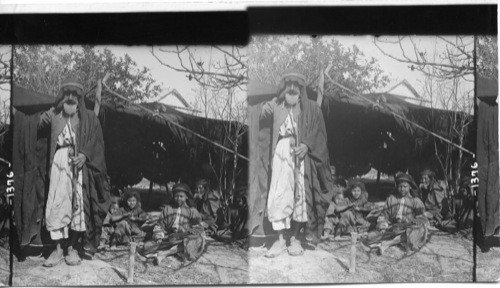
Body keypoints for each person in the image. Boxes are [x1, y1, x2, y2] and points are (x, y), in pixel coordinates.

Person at [260, 70, 335, 258]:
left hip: (302, 156)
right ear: (283, 88)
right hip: (282, 153)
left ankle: (294, 239)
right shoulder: (275, 105)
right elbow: (260, 113)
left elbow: (319, 133)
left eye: (296, 86)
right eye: (288, 85)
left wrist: (307, 145)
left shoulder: (310, 108)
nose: (292, 89)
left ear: (302, 89)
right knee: (280, 194)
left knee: (301, 195)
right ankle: (280, 241)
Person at [40, 77, 110, 267]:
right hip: (59, 164)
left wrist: (85, 156)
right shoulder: (54, 114)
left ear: (79, 98)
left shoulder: (88, 117)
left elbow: (95, 140)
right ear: (62, 96)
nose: (70, 98)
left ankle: (71, 249)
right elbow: (34, 122)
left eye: (74, 94)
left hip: (79, 166)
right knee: (57, 205)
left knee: (78, 205)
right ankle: (57, 250)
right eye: (66, 94)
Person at [361, 173, 428, 255]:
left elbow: (423, 218)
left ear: (410, 187)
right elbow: (384, 215)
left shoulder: (416, 201)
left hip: (408, 227)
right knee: (369, 238)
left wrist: (411, 220)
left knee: (417, 230)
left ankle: (388, 243)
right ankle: (395, 240)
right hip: (393, 227)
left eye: (405, 186)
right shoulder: (391, 199)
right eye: (400, 186)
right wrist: (382, 223)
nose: (402, 189)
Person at [140, 183, 205, 265]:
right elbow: (160, 225)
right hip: (169, 238)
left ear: (186, 197)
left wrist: (187, 232)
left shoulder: (192, 211)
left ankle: (165, 254)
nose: (178, 199)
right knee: (146, 247)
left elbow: (199, 228)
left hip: (184, 238)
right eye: (176, 196)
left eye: (181, 196)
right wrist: (159, 234)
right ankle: (174, 251)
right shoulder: (168, 209)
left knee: (197, 240)